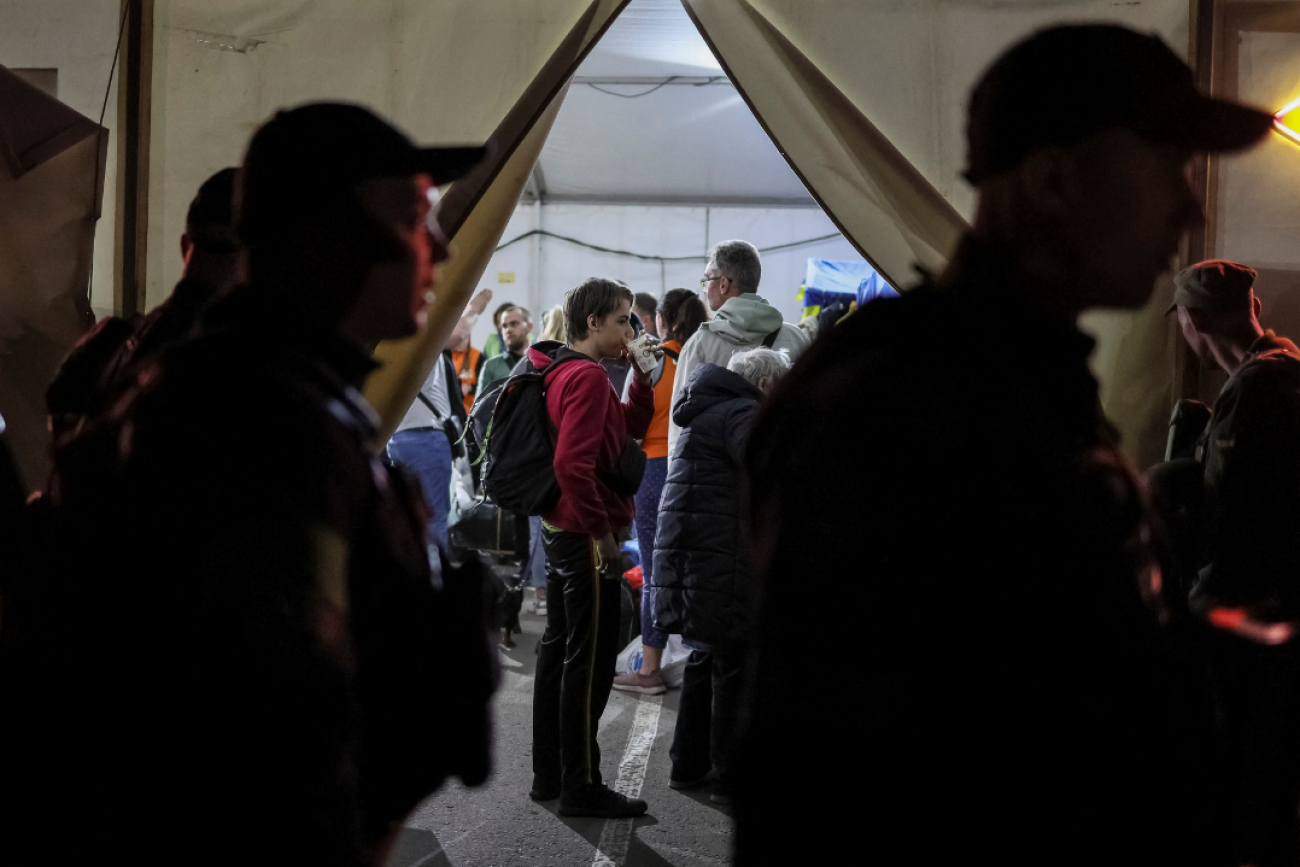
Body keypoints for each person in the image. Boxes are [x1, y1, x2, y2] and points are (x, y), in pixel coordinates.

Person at [735, 24, 1273, 866]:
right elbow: (843, 776)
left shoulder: (1017, 382)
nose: (1191, 203)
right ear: (1052, 179)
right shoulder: (905, 404)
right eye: (1168, 162)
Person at [3, 103, 496, 867]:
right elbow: (269, 746)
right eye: (408, 218)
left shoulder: (266, 389)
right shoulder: (261, 423)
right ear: (323, 239)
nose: (435, 243)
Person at [1172, 259, 1300, 866]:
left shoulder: (1259, 387)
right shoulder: (1279, 375)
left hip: (1247, 622)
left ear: (1192, 319)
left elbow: (1235, 520)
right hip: (1275, 616)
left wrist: (1193, 610)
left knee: (1243, 784)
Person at [528, 278, 655, 818]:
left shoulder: (572, 372)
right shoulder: (584, 377)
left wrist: (643, 379)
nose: (631, 328)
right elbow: (571, 467)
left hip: (564, 529)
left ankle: (550, 775)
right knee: (590, 660)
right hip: (584, 536)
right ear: (592, 323)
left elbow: (624, 427)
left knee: (560, 651)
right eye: (624, 318)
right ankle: (580, 784)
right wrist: (604, 537)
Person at [652, 347, 789, 804]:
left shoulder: (708, 408)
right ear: (767, 384)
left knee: (704, 656)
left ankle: (687, 765)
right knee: (731, 661)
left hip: (701, 552)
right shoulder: (743, 411)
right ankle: (731, 776)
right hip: (721, 555)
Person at [613, 287, 708, 695]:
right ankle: (696, 659)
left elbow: (627, 417)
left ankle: (650, 669)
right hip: (697, 467)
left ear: (662, 320)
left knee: (654, 572)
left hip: (653, 468)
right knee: (697, 566)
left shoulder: (651, 357)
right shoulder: (704, 356)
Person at [667, 239, 807, 461]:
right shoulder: (795, 338)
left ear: (723, 284)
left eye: (706, 280)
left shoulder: (700, 344)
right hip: (780, 467)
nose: (703, 289)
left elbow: (680, 424)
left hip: (717, 475)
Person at [387, 345, 467, 560]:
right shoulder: (431, 348)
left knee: (408, 517)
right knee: (436, 517)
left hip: (395, 439)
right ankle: (436, 583)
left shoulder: (391, 349)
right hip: (428, 438)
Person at [480, 304, 533, 395]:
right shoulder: (491, 366)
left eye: (514, 324)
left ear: (529, 327)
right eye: (504, 326)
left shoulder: (541, 363)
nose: (508, 330)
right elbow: (480, 405)